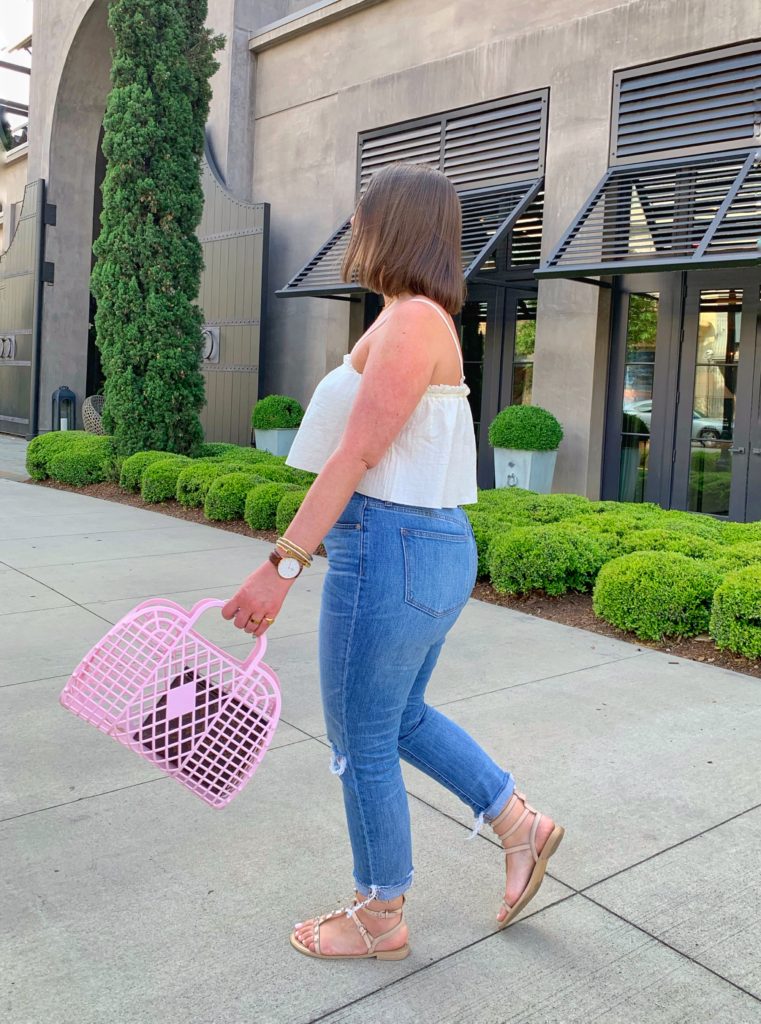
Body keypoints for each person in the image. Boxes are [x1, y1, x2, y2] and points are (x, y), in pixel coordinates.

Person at [223, 162, 564, 961]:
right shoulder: (406, 317)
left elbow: (356, 454)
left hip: (391, 547)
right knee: (396, 719)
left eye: (363, 215)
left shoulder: (413, 321)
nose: (353, 227)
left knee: (361, 739)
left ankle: (380, 917)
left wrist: (280, 566)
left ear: (393, 227)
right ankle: (522, 825)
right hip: (413, 548)